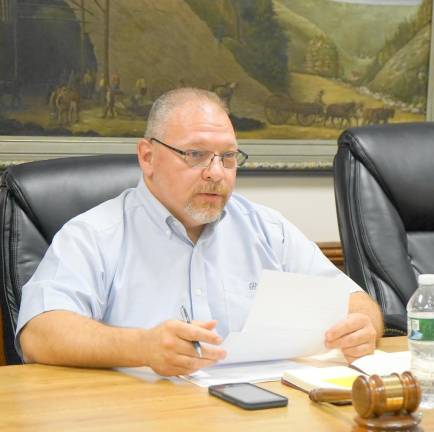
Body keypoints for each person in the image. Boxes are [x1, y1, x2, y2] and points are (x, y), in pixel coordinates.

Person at [17, 88, 383, 377]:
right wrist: (142, 347)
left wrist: (363, 327)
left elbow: (356, 302)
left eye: (227, 157)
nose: (216, 173)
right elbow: (39, 333)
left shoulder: (267, 229)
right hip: (141, 415)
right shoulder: (95, 234)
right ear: (147, 158)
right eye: (195, 154)